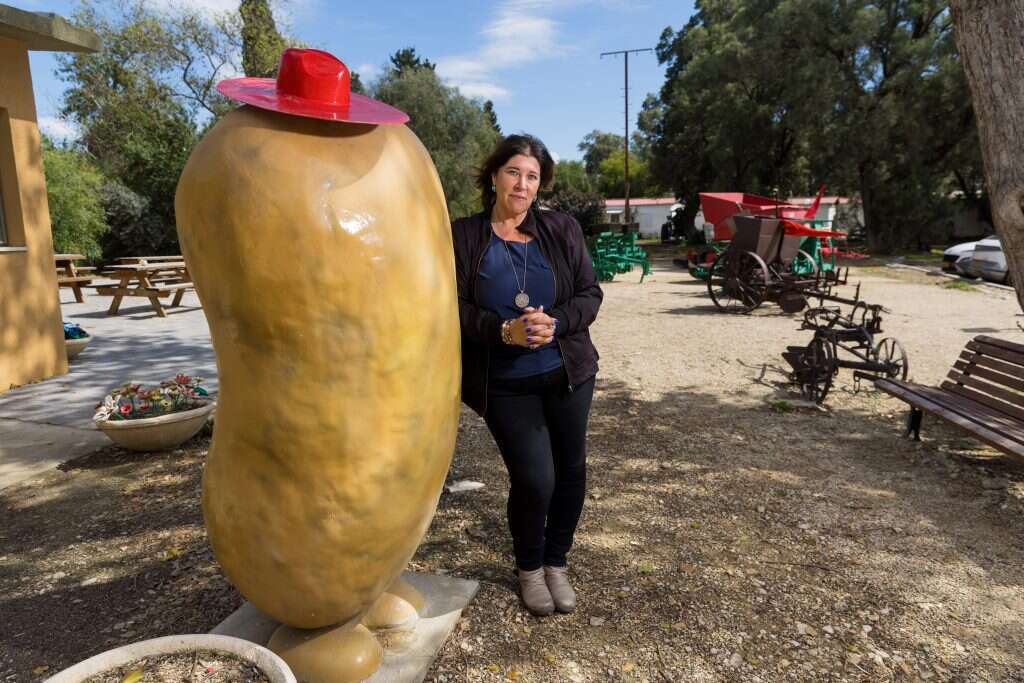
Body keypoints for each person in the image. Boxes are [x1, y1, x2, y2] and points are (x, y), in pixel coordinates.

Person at [451, 134, 603, 616]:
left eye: (532, 176)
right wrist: (502, 331)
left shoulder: (562, 230)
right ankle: (530, 569)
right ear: (494, 176)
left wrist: (555, 322)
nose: (522, 183)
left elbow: (589, 294)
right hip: (504, 382)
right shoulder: (463, 236)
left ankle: (557, 562)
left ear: (541, 185)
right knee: (536, 479)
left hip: (567, 372)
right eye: (514, 172)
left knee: (572, 471)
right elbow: (448, 305)